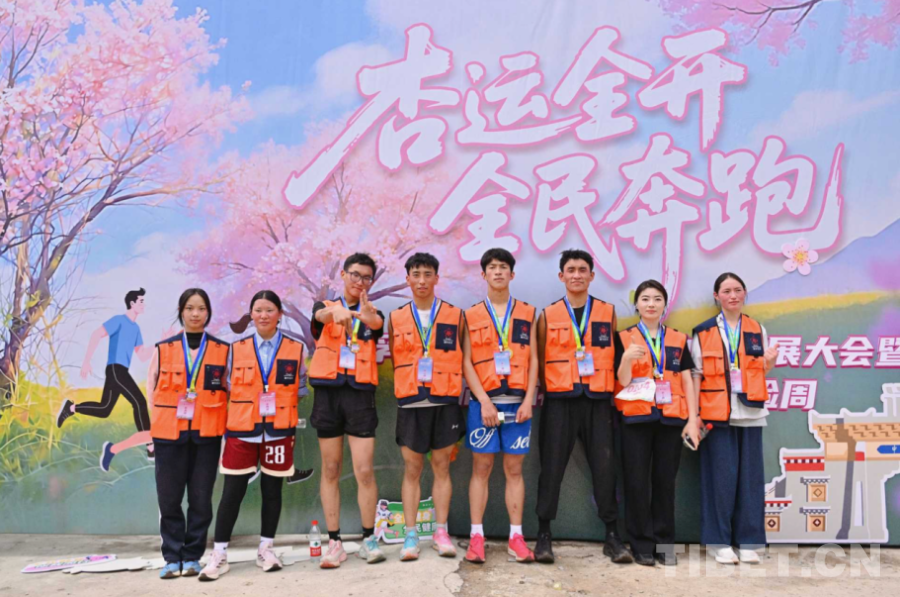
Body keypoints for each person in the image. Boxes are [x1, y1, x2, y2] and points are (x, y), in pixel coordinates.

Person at [198, 290, 307, 581]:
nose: (263, 315)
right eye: (258, 310)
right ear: (251, 314)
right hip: (242, 430)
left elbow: (301, 386)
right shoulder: (235, 349)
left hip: (278, 430)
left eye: (269, 310)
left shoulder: (295, 348)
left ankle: (266, 549)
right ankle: (219, 555)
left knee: (272, 492)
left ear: (279, 314)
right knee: (232, 493)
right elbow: (225, 386)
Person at [534, 249, 631, 565]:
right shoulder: (547, 315)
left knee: (605, 468)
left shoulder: (607, 312)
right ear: (561, 276)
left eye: (582, 270)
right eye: (571, 270)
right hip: (559, 402)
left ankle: (612, 535)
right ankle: (544, 534)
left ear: (592, 275)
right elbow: (539, 359)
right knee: (551, 468)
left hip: (597, 402)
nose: (576, 275)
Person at [691, 273, 778, 565]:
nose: (733, 295)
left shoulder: (756, 328)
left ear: (745, 293)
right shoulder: (703, 332)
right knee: (720, 481)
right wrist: (695, 416)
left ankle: (749, 542)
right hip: (716, 414)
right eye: (726, 291)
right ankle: (718, 542)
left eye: (738, 290)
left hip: (751, 412)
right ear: (716, 296)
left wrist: (769, 363)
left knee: (750, 481)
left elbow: (761, 369)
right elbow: (696, 375)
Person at [308, 253, 386, 567]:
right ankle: (335, 542)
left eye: (366, 277)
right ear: (343, 274)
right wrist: (336, 312)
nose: (360, 282)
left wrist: (366, 317)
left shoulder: (373, 313)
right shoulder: (324, 306)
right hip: (328, 396)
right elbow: (320, 317)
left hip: (360, 398)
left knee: (364, 470)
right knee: (330, 469)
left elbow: (377, 325)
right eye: (355, 275)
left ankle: (369, 539)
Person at [387, 252, 465, 561]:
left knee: (442, 467)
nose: (422, 280)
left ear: (436, 278)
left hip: (445, 400)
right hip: (411, 402)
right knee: (412, 468)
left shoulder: (454, 315)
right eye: (416, 274)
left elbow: (463, 355)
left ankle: (441, 532)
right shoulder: (396, 317)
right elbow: (395, 355)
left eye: (427, 274)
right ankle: (410, 535)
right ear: (407, 279)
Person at [462, 248, 538, 564]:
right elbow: (466, 361)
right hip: (484, 405)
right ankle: (476, 537)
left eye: (503, 267)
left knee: (514, 470)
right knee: (481, 468)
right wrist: (483, 401)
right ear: (483, 274)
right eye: (492, 267)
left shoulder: (528, 312)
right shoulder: (470, 315)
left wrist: (529, 400)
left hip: (518, 406)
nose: (497, 272)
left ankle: (516, 538)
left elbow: (534, 359)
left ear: (512, 274)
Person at [614, 280, 697, 567]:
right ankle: (641, 545)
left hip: (671, 419)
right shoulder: (624, 338)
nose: (651, 304)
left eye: (657, 299)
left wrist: (692, 420)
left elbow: (686, 380)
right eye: (645, 299)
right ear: (636, 304)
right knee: (636, 482)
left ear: (665, 304)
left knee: (665, 483)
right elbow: (622, 380)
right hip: (636, 419)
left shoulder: (677, 339)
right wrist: (626, 359)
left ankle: (664, 544)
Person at [148, 289, 229, 579]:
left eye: (202, 308)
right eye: (190, 308)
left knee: (201, 499)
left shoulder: (222, 350)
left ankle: (193, 556)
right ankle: (172, 557)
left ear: (208, 313)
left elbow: (230, 390)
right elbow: (151, 391)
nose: (196, 314)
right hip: (169, 435)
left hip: (207, 435)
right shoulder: (163, 349)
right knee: (169, 499)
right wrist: (154, 429)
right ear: (181, 311)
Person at [58, 288, 155, 460]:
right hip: (116, 369)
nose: (143, 305)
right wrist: (87, 361)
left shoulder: (136, 329)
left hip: (120, 371)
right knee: (139, 401)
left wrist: (161, 344)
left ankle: (71, 408)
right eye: (141, 301)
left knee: (104, 409)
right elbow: (97, 334)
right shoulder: (119, 321)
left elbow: (142, 355)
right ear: (132, 303)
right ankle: (151, 446)